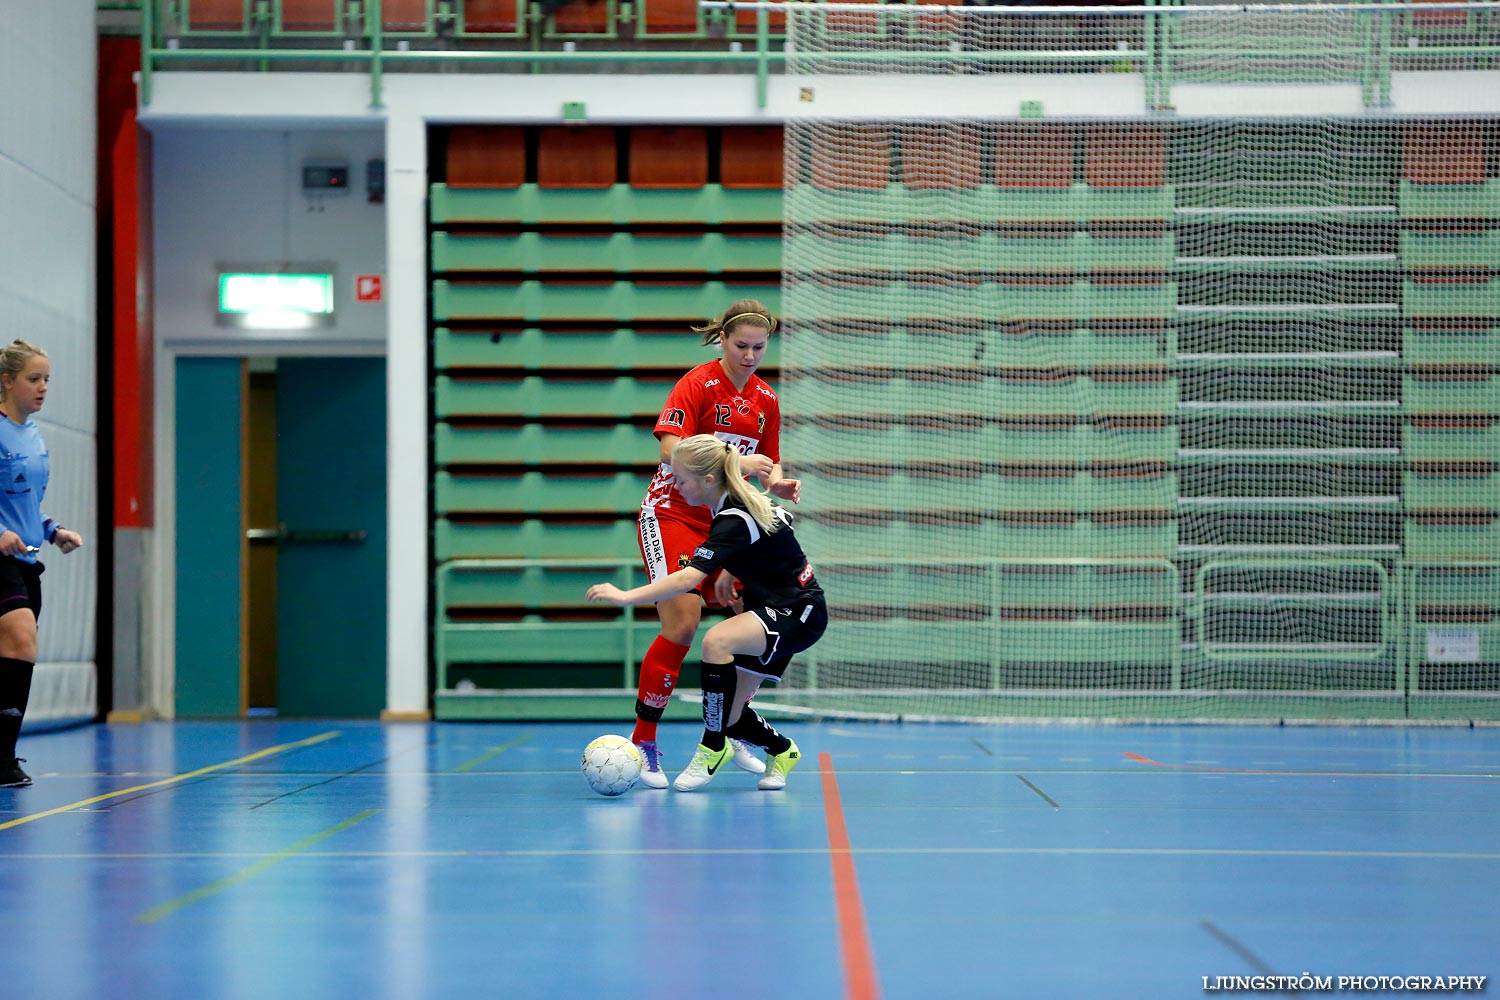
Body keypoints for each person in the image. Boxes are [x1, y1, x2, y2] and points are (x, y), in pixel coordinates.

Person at [627, 299, 801, 788]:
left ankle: (734, 725)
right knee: (683, 623)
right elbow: (669, 449)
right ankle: (644, 742)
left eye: (759, 347)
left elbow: (769, 462)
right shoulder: (697, 384)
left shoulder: (766, 398)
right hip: (673, 512)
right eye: (740, 345)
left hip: (727, 521)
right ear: (722, 340)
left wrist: (779, 484)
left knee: (748, 620)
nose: (749, 355)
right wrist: (732, 462)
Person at [589, 434, 826, 792]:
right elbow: (779, 523)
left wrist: (626, 596)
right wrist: (733, 570)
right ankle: (782, 750)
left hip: (798, 613)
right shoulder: (740, 506)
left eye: (681, 479)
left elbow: (688, 578)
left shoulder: (732, 517)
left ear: (708, 480)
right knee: (730, 716)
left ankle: (712, 748)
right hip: (779, 610)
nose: (677, 486)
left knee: (716, 641)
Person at [0, 340, 83, 788]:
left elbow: (27, 505)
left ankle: (4, 754)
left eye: (47, 379)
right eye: (34, 379)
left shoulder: (32, 436)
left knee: (14, 655)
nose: (43, 387)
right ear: (7, 381)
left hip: (25, 557)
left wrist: (52, 530)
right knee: (21, 641)